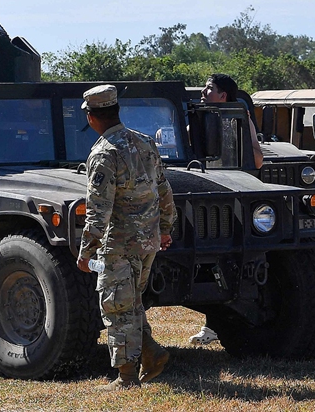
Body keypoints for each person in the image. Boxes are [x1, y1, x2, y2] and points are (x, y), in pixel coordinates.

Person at [77, 85, 176, 390]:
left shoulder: (104, 152)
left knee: (117, 308)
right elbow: (163, 188)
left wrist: (86, 250)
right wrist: (165, 229)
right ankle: (152, 354)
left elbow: (98, 209)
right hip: (148, 241)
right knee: (130, 303)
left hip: (118, 245)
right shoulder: (145, 142)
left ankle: (126, 378)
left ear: (93, 118)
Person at [189, 73, 263, 346]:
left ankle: (218, 325)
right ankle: (213, 325)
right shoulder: (194, 118)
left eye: (209, 88)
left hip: (235, 196)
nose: (203, 92)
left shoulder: (239, 119)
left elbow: (257, 159)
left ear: (223, 96)